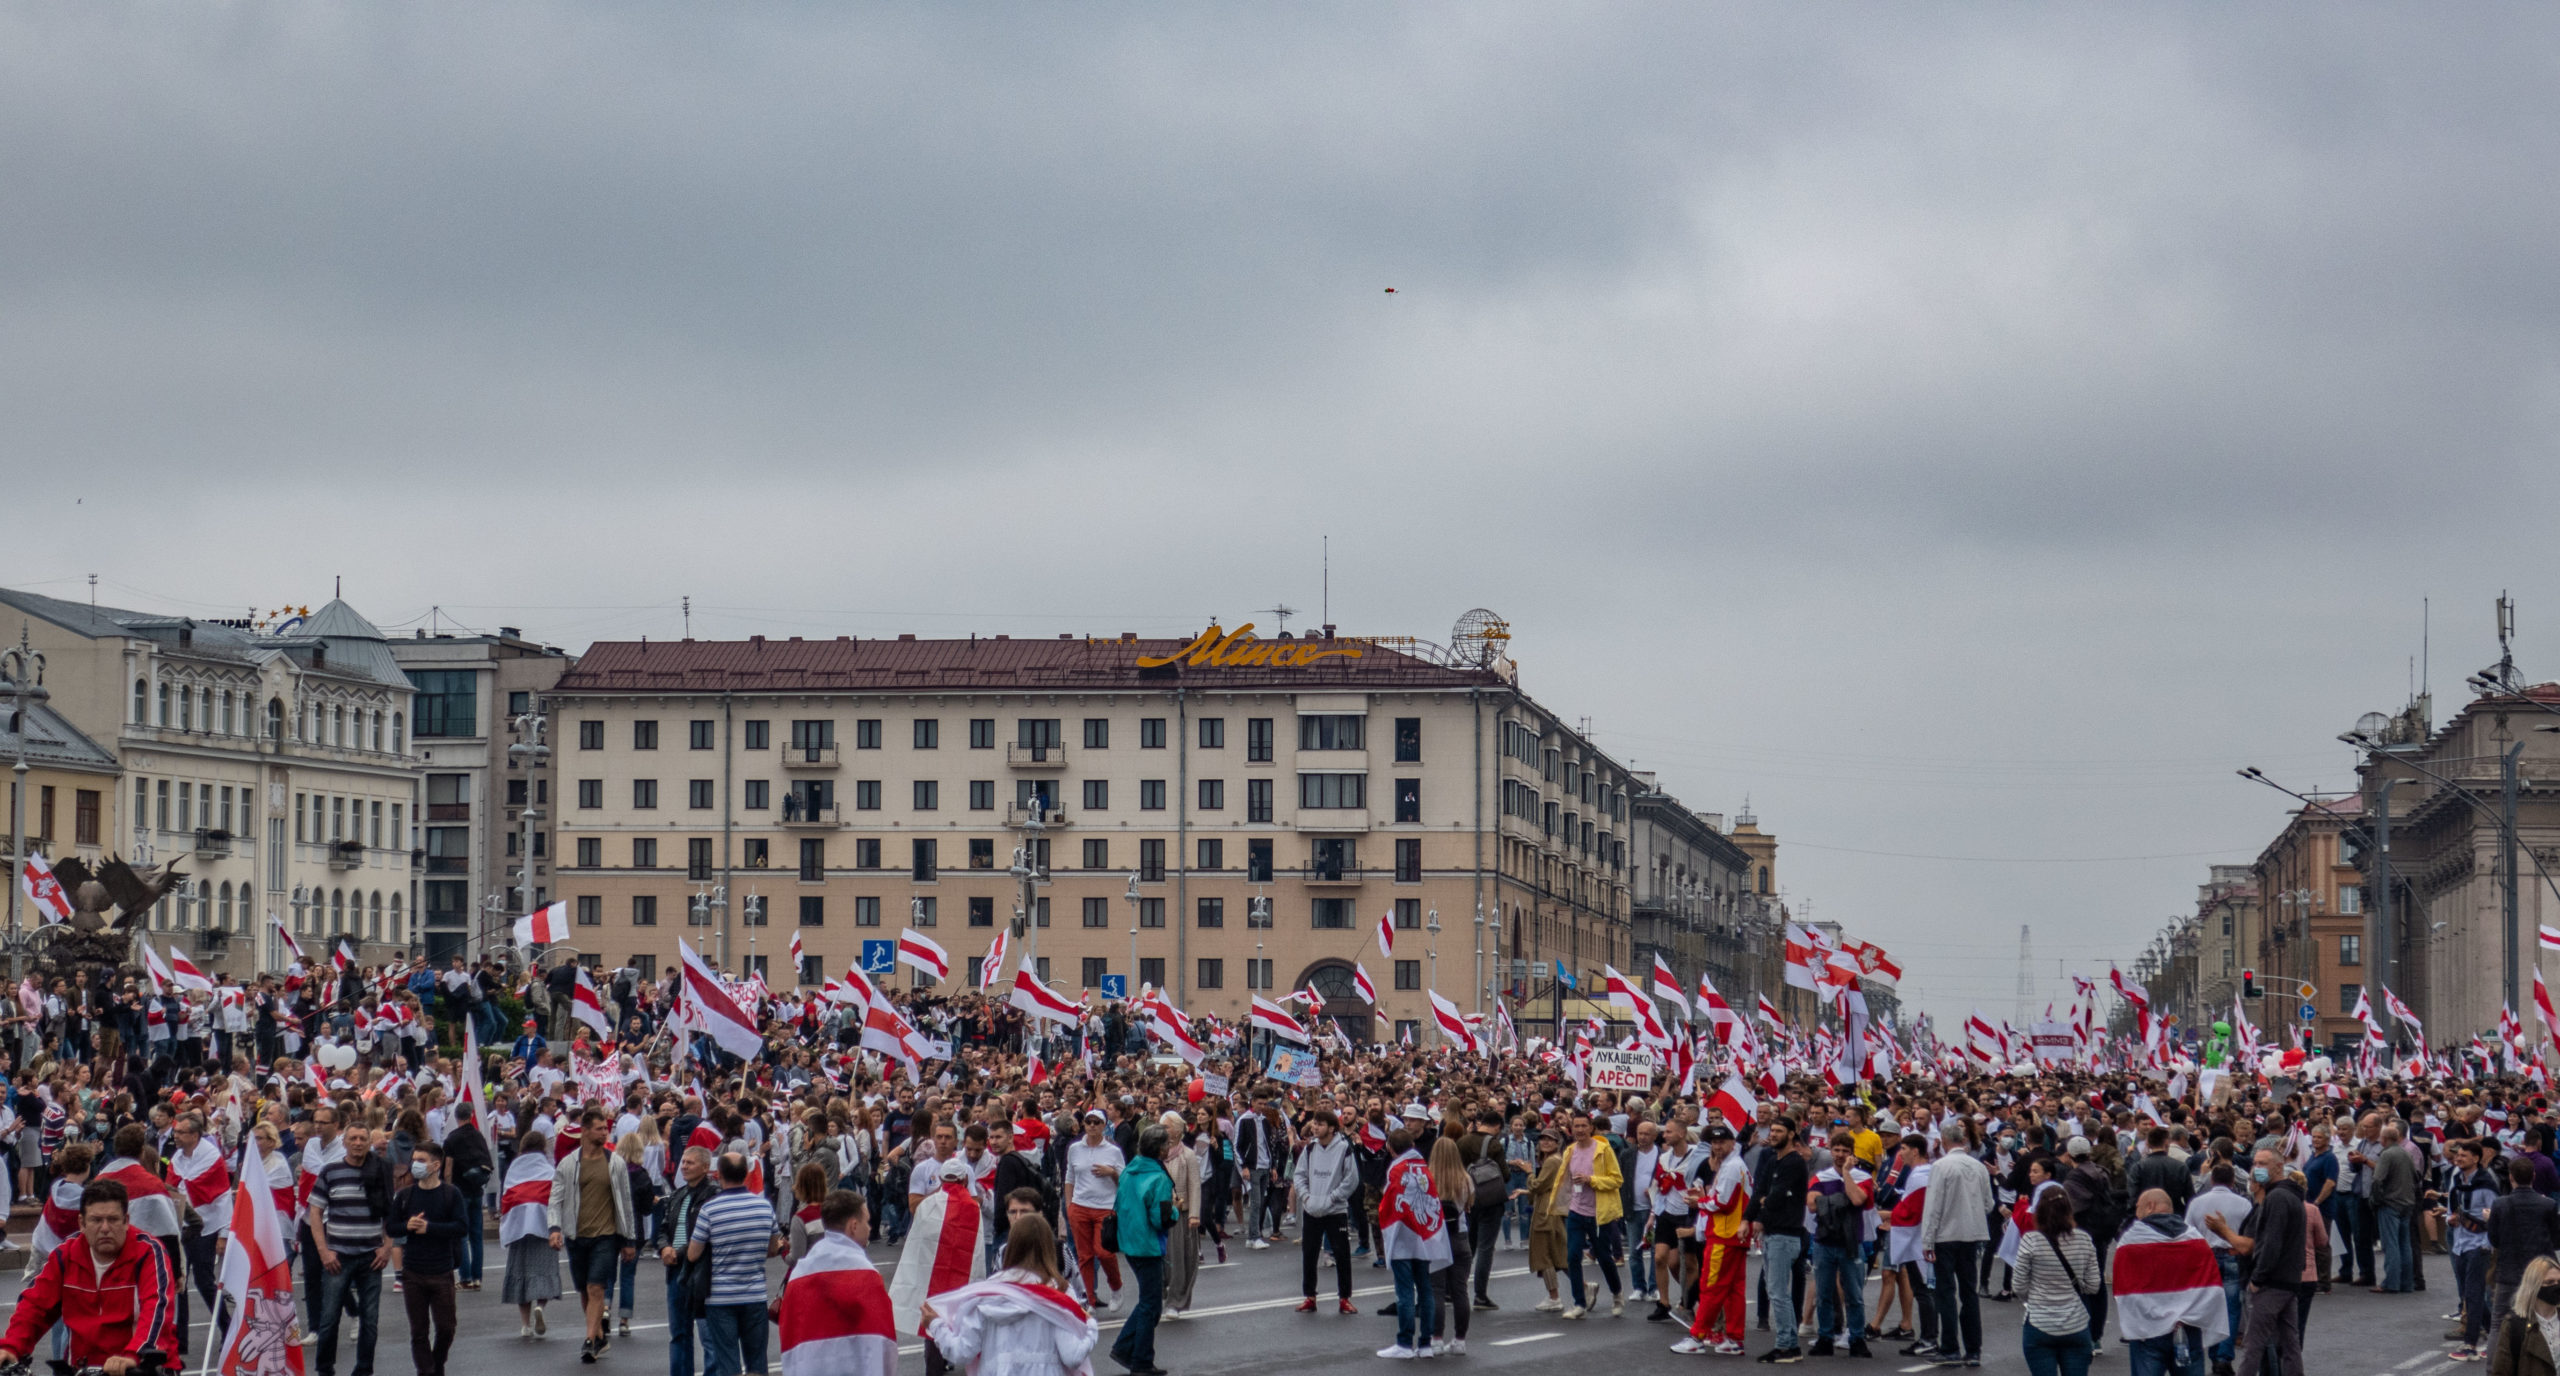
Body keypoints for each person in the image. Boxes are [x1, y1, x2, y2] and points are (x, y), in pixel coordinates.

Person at [0, 1178, 178, 1374]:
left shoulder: (148, 1252)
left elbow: (157, 1309)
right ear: (82, 1223)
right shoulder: (66, 1255)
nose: (104, 1228)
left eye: (112, 1219)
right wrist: (11, 1346)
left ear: (126, 1221)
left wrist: (134, 1354)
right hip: (82, 1367)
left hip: (140, 1365)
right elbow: (35, 1305)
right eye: (96, 1220)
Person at [924, 1212, 1099, 1376]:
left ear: (1012, 1245)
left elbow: (962, 1352)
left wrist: (936, 1324)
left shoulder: (988, 1293)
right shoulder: (1058, 1291)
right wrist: (1091, 1326)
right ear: (1048, 1248)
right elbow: (1073, 1356)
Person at [549, 1107, 640, 1364]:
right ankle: (599, 1334)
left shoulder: (615, 1163)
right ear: (585, 1131)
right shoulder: (569, 1163)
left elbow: (625, 1203)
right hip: (576, 1236)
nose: (605, 1132)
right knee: (584, 1291)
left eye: (606, 1128)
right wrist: (554, 1228)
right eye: (600, 1129)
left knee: (596, 1286)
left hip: (606, 1236)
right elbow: (555, 1199)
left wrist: (629, 1240)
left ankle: (589, 1340)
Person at [2201, 1150, 2304, 1376]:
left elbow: (2270, 1243)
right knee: (2289, 1343)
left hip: (2272, 1281)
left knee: (2253, 1344)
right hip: (2288, 1280)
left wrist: (2258, 1278)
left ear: (2278, 1167)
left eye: (2263, 1163)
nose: (2256, 1168)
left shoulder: (2277, 1198)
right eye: (2255, 1163)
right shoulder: (2288, 1195)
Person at [779, 1191, 900, 1376]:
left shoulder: (799, 1274)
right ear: (853, 1225)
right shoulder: (866, 1274)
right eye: (866, 1222)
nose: (869, 1228)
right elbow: (883, 1340)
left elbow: (789, 1336)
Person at [311, 1120, 396, 1376]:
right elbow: (315, 1213)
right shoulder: (330, 1171)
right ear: (344, 1142)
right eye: (353, 1139)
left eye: (362, 1139)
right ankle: (325, 1369)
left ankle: (363, 1370)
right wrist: (324, 1251)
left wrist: (387, 1248)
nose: (358, 1143)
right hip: (338, 1256)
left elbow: (390, 1214)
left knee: (370, 1321)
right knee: (328, 1320)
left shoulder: (381, 1171)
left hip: (372, 1257)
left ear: (369, 1143)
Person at [2111, 1188, 2225, 1376]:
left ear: (2150, 1206)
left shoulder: (2131, 1240)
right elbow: (2211, 1286)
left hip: (2148, 1329)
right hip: (2187, 1327)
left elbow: (2123, 1289)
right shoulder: (2195, 1238)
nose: (2136, 1213)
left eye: (2138, 1207)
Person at [892, 1158, 990, 1376]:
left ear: (940, 1178)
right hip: (961, 1278)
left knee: (933, 1323)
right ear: (965, 1179)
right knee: (963, 1321)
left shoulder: (928, 1204)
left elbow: (916, 1243)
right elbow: (977, 1249)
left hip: (933, 1278)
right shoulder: (973, 1208)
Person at [688, 1152, 779, 1376]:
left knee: (728, 1362)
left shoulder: (710, 1210)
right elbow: (773, 1249)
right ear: (746, 1174)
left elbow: (692, 1254)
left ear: (719, 1175)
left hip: (720, 1297)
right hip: (755, 1295)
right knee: (757, 1362)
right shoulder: (764, 1207)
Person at [389, 1141, 470, 1376]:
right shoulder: (405, 1195)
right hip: (413, 1272)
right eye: (414, 1159)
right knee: (418, 1331)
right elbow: (392, 1228)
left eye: (421, 1160)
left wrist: (430, 1228)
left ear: (436, 1165)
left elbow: (461, 1227)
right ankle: (427, 1371)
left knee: (446, 1328)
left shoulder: (450, 1194)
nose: (415, 1165)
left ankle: (437, 1364)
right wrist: (407, 1225)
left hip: (441, 1271)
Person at [1670, 1123, 1750, 1357]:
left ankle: (1698, 1336)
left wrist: (1700, 1203)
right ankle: (1734, 1338)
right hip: (1732, 1234)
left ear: (1732, 1143)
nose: (1717, 1146)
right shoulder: (1735, 1164)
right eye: (1714, 1142)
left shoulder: (1732, 1166)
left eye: (1722, 1142)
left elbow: (1722, 1203)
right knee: (1734, 1289)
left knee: (1711, 1287)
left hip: (1724, 1235)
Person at [1920, 1119, 1993, 1370]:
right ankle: (1974, 1350)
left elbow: (1933, 1206)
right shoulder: (1979, 1166)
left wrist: (1927, 1239)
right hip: (1971, 1234)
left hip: (1945, 1236)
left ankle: (1950, 1347)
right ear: (1963, 1141)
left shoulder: (1940, 1166)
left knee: (1946, 1293)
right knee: (1969, 1293)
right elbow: (1988, 1204)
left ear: (1944, 1140)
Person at [1377, 1124, 1451, 1360]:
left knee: (1405, 1292)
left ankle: (1405, 1343)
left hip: (1403, 1238)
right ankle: (1426, 1343)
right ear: (1412, 1145)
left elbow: (1390, 1204)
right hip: (1424, 1237)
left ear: (1390, 1148)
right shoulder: (1423, 1167)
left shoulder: (1397, 1169)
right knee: (1426, 1291)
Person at [1108, 1126, 1175, 1376]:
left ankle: (1129, 1350)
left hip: (1129, 1242)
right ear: (1159, 1149)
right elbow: (1161, 1218)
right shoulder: (1158, 1178)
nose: (1169, 1148)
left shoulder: (1129, 1170)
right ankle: (1138, 1359)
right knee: (1151, 1305)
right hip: (1148, 1244)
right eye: (1166, 1144)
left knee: (1149, 1302)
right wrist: (1175, 1210)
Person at [2012, 1190, 2101, 1376]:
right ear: (2069, 1210)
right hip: (2076, 1323)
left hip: (2039, 1323)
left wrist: (2034, 1296)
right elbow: (2094, 1285)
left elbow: (2018, 1285)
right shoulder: (2084, 1240)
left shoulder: (2030, 1240)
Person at [2184, 1161, 2254, 1376]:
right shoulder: (2243, 1204)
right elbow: (2249, 1233)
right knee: (2232, 1308)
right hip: (2232, 1255)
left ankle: (2215, 1353)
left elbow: (2188, 1232)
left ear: (2212, 1179)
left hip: (2207, 1258)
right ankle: (2223, 1356)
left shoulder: (2197, 1203)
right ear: (2233, 1181)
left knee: (2211, 1307)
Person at [656, 1146, 718, 1376]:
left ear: (704, 1167)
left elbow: (703, 1235)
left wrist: (678, 1252)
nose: (684, 1166)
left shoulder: (712, 1195)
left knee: (708, 1335)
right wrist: (664, 1247)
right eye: (683, 1162)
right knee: (679, 1333)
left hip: (700, 1270)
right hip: (675, 1270)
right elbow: (663, 1228)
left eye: (690, 1163)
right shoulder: (677, 1194)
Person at [1557, 1109, 1624, 1320]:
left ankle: (1617, 1294)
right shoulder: (1570, 1151)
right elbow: (1564, 1179)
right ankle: (1579, 1303)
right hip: (1576, 1210)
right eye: (1576, 1126)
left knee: (1604, 1257)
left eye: (1584, 1126)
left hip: (1598, 1213)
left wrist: (1591, 1180)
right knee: (1573, 1256)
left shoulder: (1603, 1149)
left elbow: (1617, 1180)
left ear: (1591, 1128)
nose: (1580, 1130)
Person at [1292, 1108, 1360, 1314]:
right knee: (1309, 1254)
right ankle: (1310, 1296)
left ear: (1331, 1128)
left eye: (1320, 1124)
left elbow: (1351, 1179)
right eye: (1314, 1124)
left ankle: (1344, 1298)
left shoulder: (1343, 1148)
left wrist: (1333, 1197)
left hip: (1335, 1210)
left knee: (1341, 1254)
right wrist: (1305, 1197)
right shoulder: (1310, 1148)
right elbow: (1300, 1175)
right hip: (1311, 1208)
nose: (1315, 1127)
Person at [2445, 1138, 2502, 1361]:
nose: (2458, 1158)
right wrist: (2451, 1218)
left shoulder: (2486, 1184)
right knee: (2469, 1291)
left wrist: (2488, 1244)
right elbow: (2454, 1207)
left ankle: (2470, 1344)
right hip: (2460, 1242)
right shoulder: (2458, 1179)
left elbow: (2495, 1215)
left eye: (2463, 1156)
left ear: (2476, 1159)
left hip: (2479, 1244)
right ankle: (2493, 1329)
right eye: (2457, 1155)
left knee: (2474, 1292)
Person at [1064, 1111, 1126, 1311]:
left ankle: (1116, 1287)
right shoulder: (1075, 1148)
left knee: (1104, 1252)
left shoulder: (1112, 1151)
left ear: (1104, 1125)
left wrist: (1112, 1173)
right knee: (1084, 1256)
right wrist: (1069, 1205)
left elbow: (1124, 1181)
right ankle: (1087, 1298)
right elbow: (1069, 1177)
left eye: (1096, 1122)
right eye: (1088, 1122)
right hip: (1080, 1206)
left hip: (1105, 1207)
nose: (1091, 1126)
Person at [2489, 1154, 2560, 1321]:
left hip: (2509, 1270)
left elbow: (2494, 1239)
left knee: (2499, 1321)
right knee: (2545, 1317)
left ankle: (2498, 1348)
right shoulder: (2548, 1204)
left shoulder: (2499, 1204)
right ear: (2533, 1176)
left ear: (2511, 1176)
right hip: (2541, 1272)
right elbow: (2556, 1240)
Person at [1426, 1136, 1474, 1355]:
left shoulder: (1428, 1179)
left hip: (1436, 1238)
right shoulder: (1465, 1179)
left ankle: (1436, 1339)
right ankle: (1460, 1340)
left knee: (1436, 1289)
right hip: (1460, 1236)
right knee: (1460, 1291)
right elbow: (1469, 1206)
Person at [443, 1103, 493, 1291]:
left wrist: (447, 1191)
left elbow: (447, 1169)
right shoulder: (478, 1136)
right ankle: (477, 1277)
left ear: (456, 1117)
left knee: (461, 1235)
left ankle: (465, 1278)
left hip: (459, 1190)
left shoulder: (452, 1139)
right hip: (476, 1190)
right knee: (477, 1236)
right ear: (471, 1115)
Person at [2488, 1252, 2560, 1376]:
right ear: (2534, 1287)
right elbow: (2501, 1371)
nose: (2556, 1286)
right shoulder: (2515, 1326)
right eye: (2549, 1282)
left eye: (2559, 1282)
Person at [2371, 1122, 2421, 1294]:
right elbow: (2416, 1177)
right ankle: (2406, 1283)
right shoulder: (2406, 1153)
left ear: (2384, 1139)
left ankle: (2390, 1282)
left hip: (2391, 1203)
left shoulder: (2387, 1154)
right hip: (2407, 1202)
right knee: (2404, 1243)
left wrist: (2376, 1200)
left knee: (2390, 1244)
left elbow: (2378, 1179)